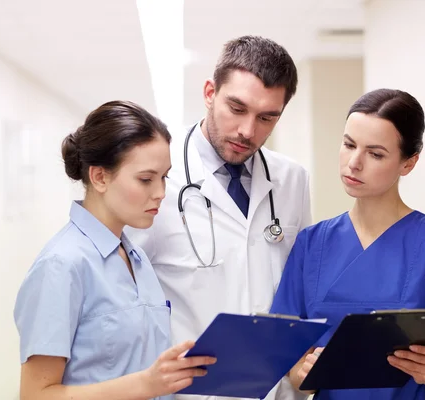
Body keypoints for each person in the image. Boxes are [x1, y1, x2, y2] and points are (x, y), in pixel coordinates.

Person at [126, 36, 311, 400]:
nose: (248, 130)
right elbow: (124, 297)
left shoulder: (292, 179)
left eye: (267, 117)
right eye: (237, 108)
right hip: (190, 392)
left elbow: (297, 287)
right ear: (210, 92)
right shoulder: (157, 174)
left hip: (275, 390)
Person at [270, 89, 425, 400]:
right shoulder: (311, 244)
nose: (354, 163)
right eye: (349, 144)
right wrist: (303, 373)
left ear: (408, 163)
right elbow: (295, 370)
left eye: (375, 153)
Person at [14, 101, 216, 400]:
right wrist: (147, 385)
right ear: (99, 177)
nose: (160, 193)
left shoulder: (138, 260)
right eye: (146, 179)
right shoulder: (61, 265)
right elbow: (36, 395)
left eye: (164, 177)